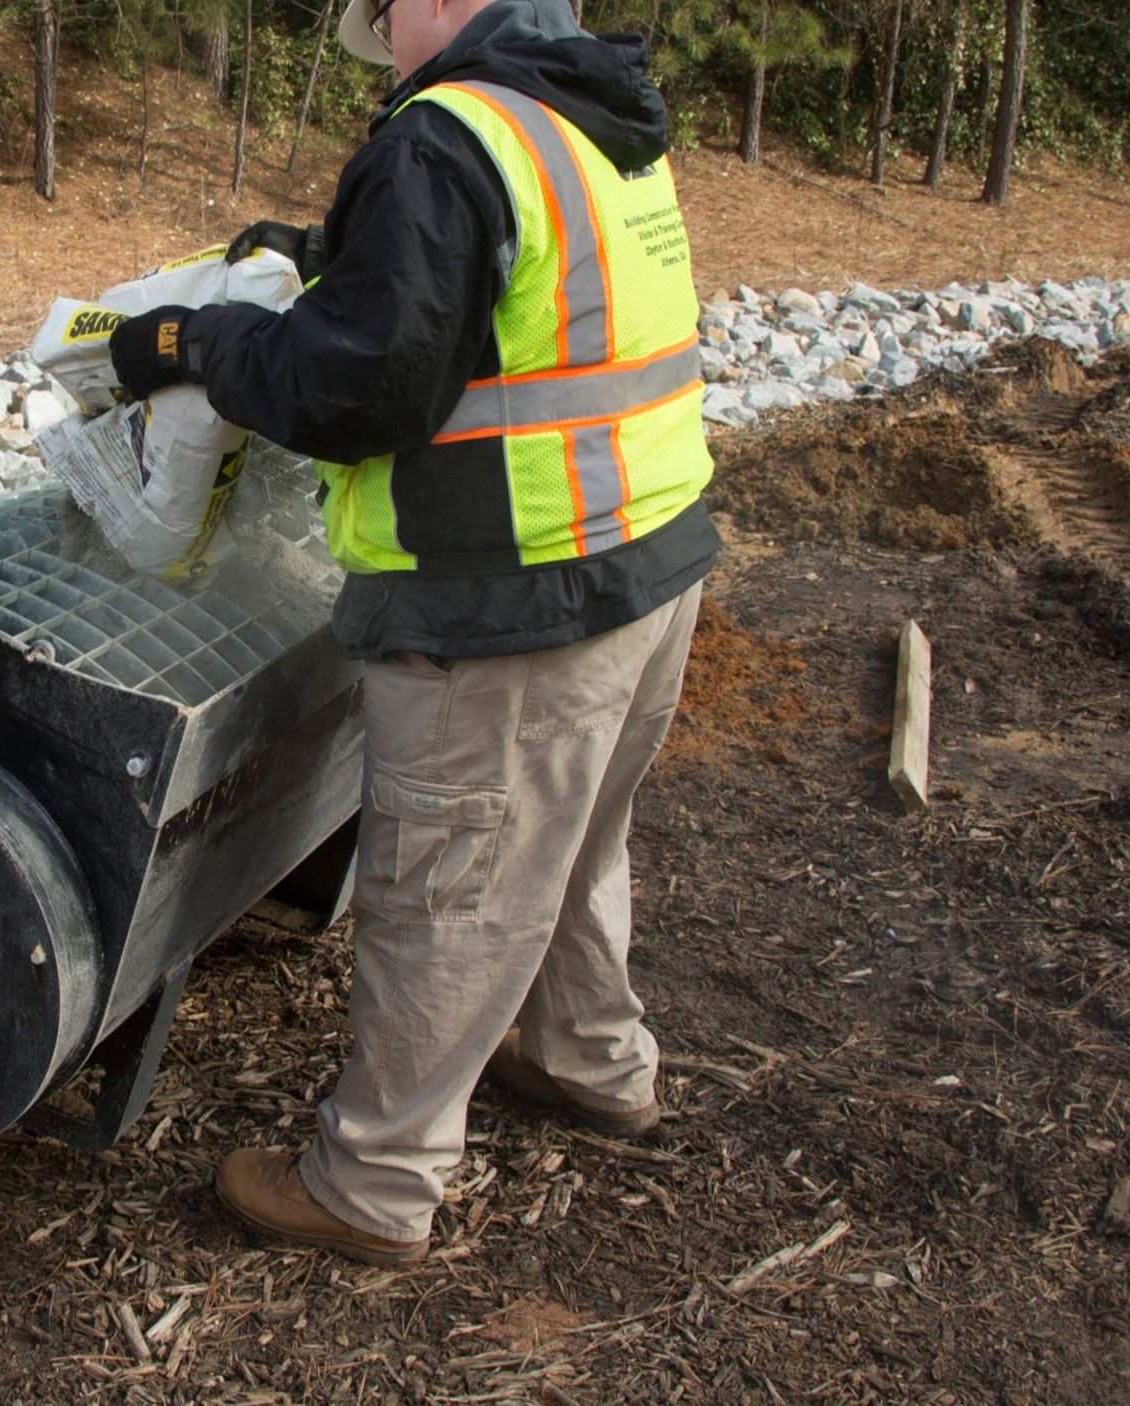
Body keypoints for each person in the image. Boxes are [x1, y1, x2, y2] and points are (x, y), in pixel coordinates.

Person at [106, 0, 718, 1264]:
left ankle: (374, 1180)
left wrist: (199, 339)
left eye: (381, 18)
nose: (383, 42)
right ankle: (589, 1060)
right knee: (569, 837)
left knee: (448, 889)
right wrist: (329, 253)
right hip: (645, 559)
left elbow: (354, 389)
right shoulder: (585, 112)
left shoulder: (444, 136)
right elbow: (498, 298)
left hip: (506, 599)